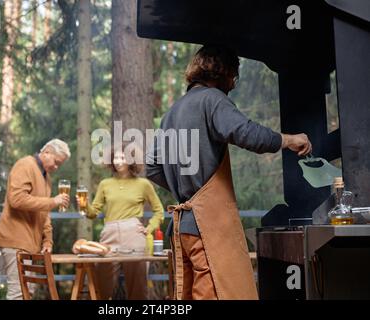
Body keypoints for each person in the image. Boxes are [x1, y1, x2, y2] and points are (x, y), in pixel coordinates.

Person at [146, 45, 312, 300]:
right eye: (233, 76)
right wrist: (288, 139)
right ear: (220, 72)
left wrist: (187, 191)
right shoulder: (212, 99)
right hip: (206, 226)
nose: (233, 85)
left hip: (183, 230)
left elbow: (152, 167)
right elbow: (246, 133)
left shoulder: (172, 111)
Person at [76, 144, 164, 300]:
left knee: (138, 288)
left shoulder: (143, 184)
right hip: (109, 236)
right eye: (115, 157)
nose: (118, 161)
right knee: (101, 286)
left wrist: (150, 228)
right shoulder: (105, 184)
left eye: (122, 157)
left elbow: (159, 211)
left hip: (134, 236)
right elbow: (93, 213)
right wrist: (84, 205)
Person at [0, 139, 71, 300]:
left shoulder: (46, 177)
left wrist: (48, 241)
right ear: (47, 152)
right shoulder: (25, 165)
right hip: (15, 240)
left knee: (27, 292)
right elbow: (16, 199)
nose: (56, 168)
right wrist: (53, 201)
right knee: (18, 294)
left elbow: (44, 212)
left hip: (32, 244)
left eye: (60, 165)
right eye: (56, 162)